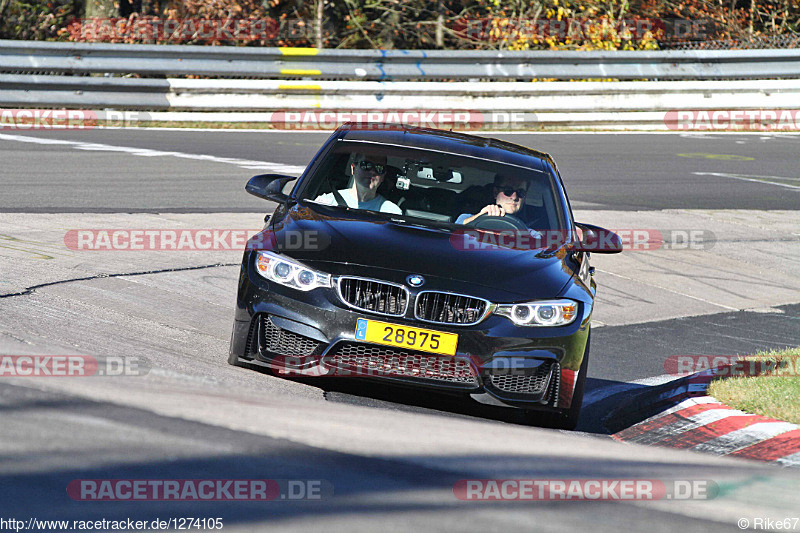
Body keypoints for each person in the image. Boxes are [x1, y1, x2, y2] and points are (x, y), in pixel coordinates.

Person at [314, 153, 402, 214]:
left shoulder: (392, 212)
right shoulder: (326, 203)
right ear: (353, 169)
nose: (372, 171)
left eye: (379, 168)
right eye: (366, 165)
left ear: (383, 176)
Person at [456, 175, 529, 225]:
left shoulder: (533, 228)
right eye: (508, 190)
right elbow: (456, 228)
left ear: (525, 198)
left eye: (520, 192)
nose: (514, 197)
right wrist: (481, 216)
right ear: (495, 192)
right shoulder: (467, 217)